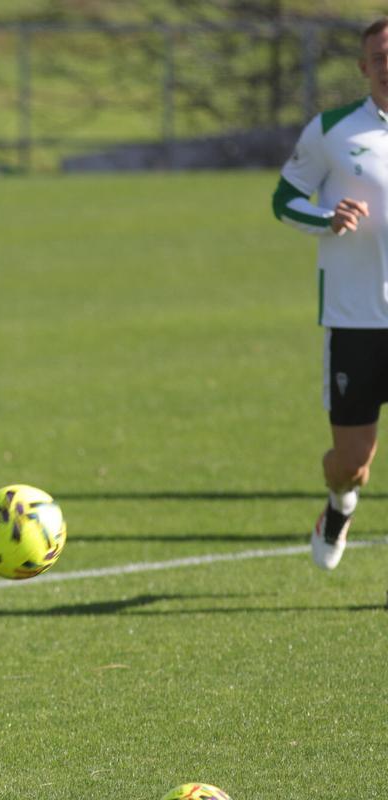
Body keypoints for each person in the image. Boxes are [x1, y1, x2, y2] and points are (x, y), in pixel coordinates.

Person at [272, 16, 388, 571]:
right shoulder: (333, 130)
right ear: (365, 67)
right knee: (351, 463)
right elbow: (284, 199)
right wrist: (327, 217)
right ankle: (340, 505)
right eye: (380, 56)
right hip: (355, 321)